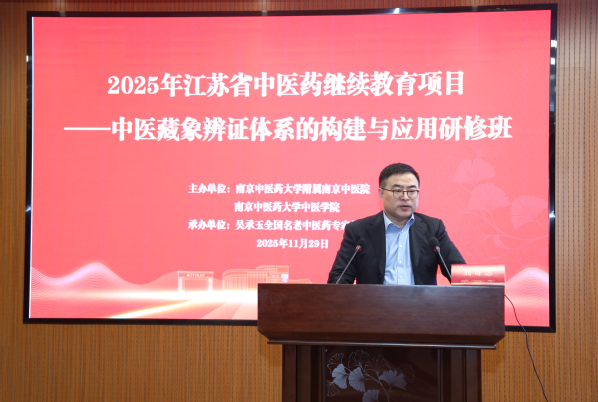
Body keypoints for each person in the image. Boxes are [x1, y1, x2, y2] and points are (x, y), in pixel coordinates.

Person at [328, 163, 464, 285]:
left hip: (421, 305)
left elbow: (460, 274)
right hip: (374, 305)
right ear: (381, 193)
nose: (405, 197)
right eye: (397, 191)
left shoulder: (433, 228)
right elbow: (339, 278)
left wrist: (473, 283)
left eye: (412, 191)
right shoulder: (358, 230)